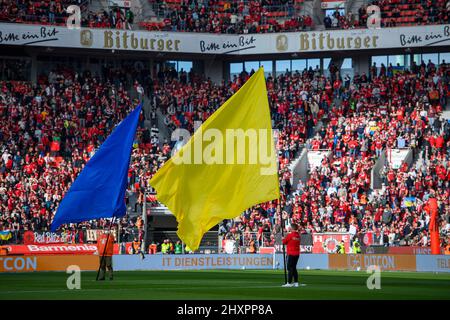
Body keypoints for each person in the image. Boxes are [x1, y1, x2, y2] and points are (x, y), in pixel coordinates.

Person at [281, 223, 301, 287]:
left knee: (290, 268)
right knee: (294, 268)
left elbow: (284, 242)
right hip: (297, 253)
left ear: (292, 228)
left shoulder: (290, 235)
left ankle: (289, 283)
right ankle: (296, 282)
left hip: (291, 253)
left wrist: (283, 238)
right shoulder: (298, 235)